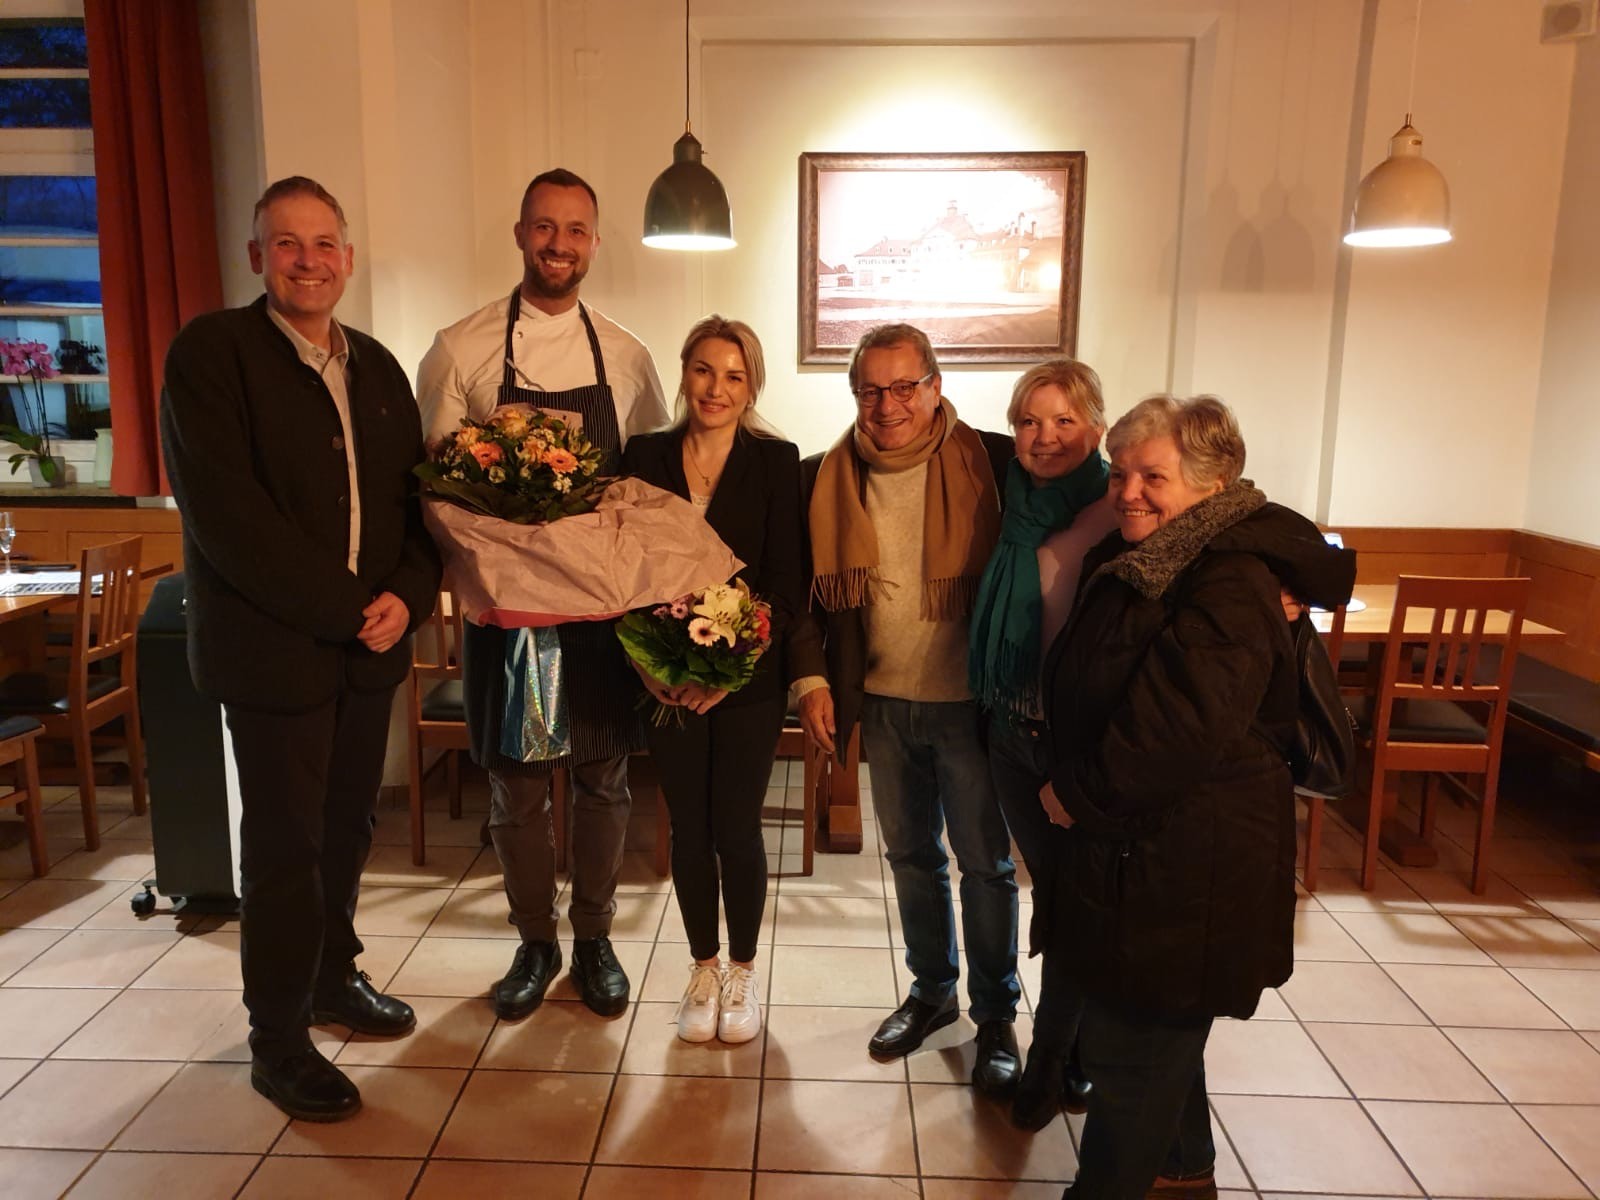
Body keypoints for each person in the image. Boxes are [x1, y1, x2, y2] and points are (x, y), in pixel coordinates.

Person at [160, 176, 442, 1122]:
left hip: (369, 653)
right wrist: (350, 606)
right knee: (284, 847)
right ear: (257, 257)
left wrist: (407, 594)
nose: (309, 260)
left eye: (324, 244)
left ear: (349, 259)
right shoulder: (213, 355)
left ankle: (332, 976)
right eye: (288, 243)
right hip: (274, 654)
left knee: (347, 830)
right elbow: (230, 520)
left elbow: (415, 504)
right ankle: (276, 1041)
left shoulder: (380, 367)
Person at [1039, 395, 1353, 1197]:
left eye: (1154, 476)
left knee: (1133, 1053)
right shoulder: (1167, 553)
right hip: (1156, 847)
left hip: (1189, 854)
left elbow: (1174, 729)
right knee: (1157, 1030)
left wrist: (1072, 794)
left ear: (1215, 483)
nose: (1129, 490)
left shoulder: (1230, 576)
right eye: (1120, 472)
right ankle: (1185, 1171)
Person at [416, 168, 667, 1021]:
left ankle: (594, 940)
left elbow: (645, 486)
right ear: (520, 233)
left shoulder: (627, 357)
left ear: (594, 242)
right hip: (509, 615)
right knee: (517, 789)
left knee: (603, 781)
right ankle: (534, 942)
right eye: (545, 228)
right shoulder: (462, 347)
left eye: (576, 230)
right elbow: (439, 491)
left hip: (599, 616)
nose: (560, 244)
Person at [792, 322, 1022, 1094]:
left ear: (935, 387)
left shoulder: (991, 461)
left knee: (986, 868)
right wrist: (813, 681)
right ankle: (932, 993)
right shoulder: (824, 476)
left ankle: (995, 1016)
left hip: (971, 706)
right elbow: (805, 603)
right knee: (912, 862)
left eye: (902, 387)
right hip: (884, 703)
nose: (885, 405)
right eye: (868, 389)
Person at [621, 316, 806, 1044]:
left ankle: (743, 972)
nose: (716, 388)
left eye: (733, 375)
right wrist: (648, 662)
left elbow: (789, 587)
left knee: (736, 827)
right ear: (684, 371)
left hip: (746, 683)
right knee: (688, 829)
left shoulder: (776, 460)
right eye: (703, 369)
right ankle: (701, 968)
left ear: (752, 383)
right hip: (661, 676)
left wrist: (732, 673)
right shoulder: (643, 455)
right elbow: (624, 572)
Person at [966, 359, 1117, 1129]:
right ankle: (1076, 1047)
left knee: (1067, 902)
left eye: (1064, 420)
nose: (1045, 436)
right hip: (1008, 732)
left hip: (1073, 748)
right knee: (1055, 898)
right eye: (1029, 420)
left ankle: (1055, 1063)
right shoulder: (1006, 494)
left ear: (1096, 425)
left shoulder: (1121, 504)